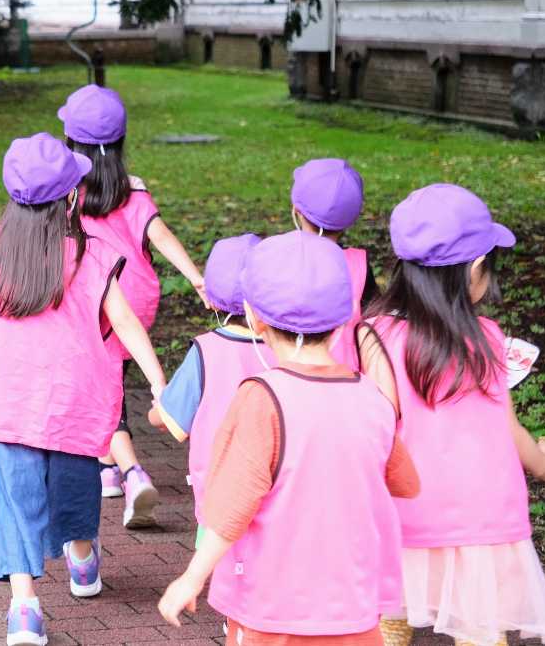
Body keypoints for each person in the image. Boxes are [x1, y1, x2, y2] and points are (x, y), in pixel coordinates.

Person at [157, 231, 418, 646]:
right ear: (341, 321)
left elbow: (230, 505)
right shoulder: (371, 396)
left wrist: (191, 577)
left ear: (255, 318)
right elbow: (406, 483)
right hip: (354, 606)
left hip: (273, 608)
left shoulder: (260, 398)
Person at [0, 133, 167, 646]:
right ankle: (81, 560)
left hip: (7, 398)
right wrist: (157, 379)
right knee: (76, 483)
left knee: (17, 498)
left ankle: (24, 609)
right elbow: (123, 321)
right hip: (75, 399)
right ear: (71, 197)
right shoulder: (94, 255)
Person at [358, 184, 545, 646]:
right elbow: (508, 430)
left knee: (389, 620)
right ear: (476, 269)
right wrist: (544, 462)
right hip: (484, 521)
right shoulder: (487, 337)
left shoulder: (375, 335)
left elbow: (375, 433)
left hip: (406, 515)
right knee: (481, 630)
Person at [57, 83, 203, 530]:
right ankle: (107, 468)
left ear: (71, 143)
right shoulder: (134, 192)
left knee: (101, 387)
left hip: (99, 300)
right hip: (138, 297)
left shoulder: (69, 194)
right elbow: (160, 236)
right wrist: (197, 279)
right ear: (119, 143)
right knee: (112, 377)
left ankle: (131, 471)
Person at [148, 234, 275, 542]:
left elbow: (168, 419)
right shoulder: (284, 349)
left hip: (218, 501)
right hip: (276, 497)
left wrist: (158, 405)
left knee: (220, 575)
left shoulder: (205, 351)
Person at [288, 158, 371, 368]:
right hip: (347, 386)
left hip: (284, 381)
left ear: (296, 210)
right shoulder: (360, 266)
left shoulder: (277, 258)